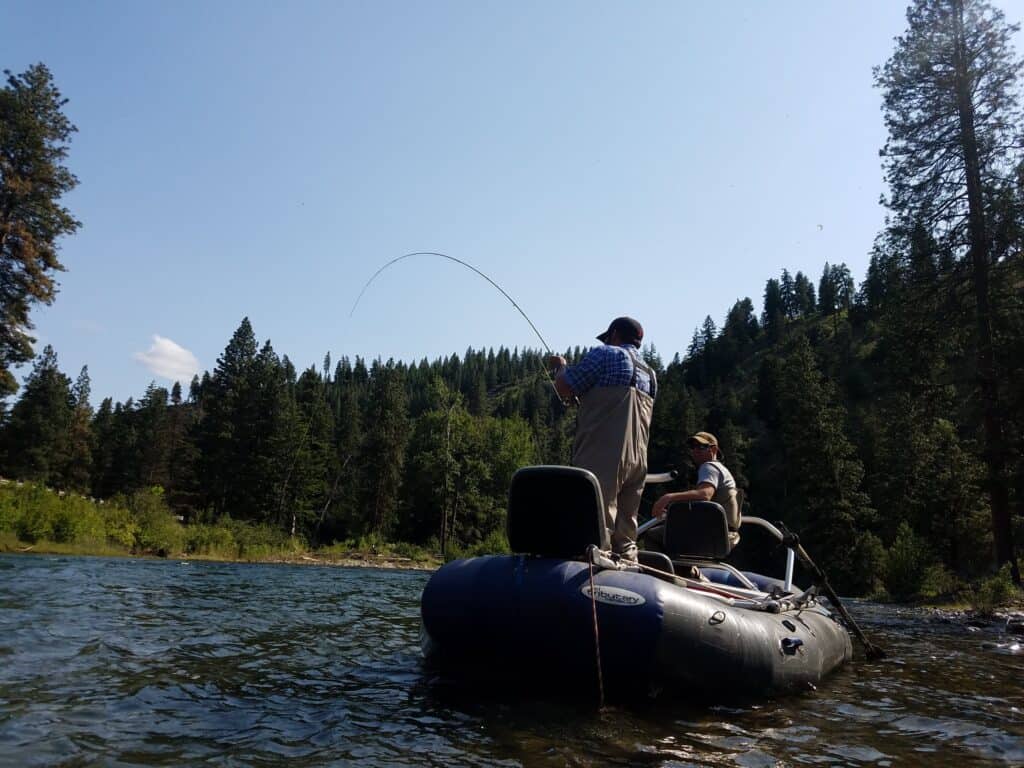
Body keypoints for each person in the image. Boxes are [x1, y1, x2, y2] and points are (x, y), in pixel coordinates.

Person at [546, 316, 656, 561]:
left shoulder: (607, 354)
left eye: (608, 338)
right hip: (638, 460)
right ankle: (628, 575)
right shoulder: (650, 374)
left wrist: (561, 366)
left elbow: (564, 386)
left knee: (595, 529)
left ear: (614, 335)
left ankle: (592, 582)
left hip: (605, 455)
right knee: (626, 536)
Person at [651, 431, 741, 549]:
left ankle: (664, 567)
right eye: (693, 447)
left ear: (713, 450)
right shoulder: (721, 469)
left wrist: (668, 497)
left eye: (701, 447)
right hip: (724, 533)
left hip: (711, 534)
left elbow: (705, 494)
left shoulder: (709, 466)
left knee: (652, 535)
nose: (695, 450)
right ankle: (682, 567)